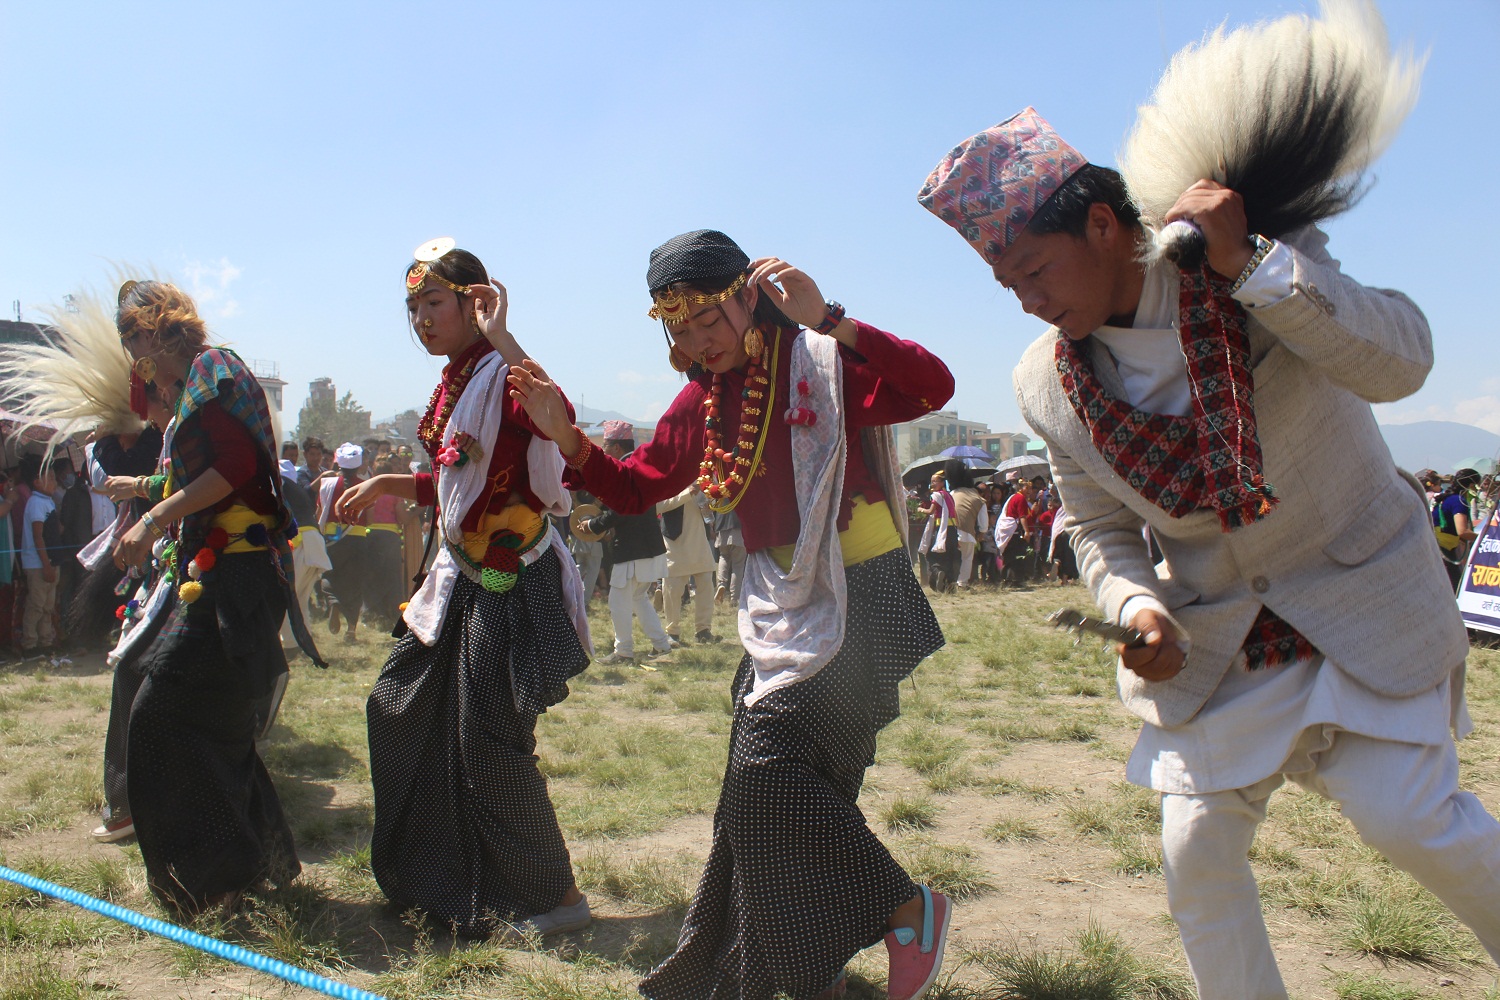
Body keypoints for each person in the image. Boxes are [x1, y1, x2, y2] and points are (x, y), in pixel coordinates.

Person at [920, 92, 1500, 993]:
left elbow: (1404, 360)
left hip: (1359, 593)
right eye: (1011, 288)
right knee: (1195, 856)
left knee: (1410, 818)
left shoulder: (1248, 260)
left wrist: (1256, 264)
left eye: (1037, 271)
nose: (1031, 302)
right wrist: (1137, 604)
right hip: (1222, 635)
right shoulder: (1045, 382)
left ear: (1105, 225)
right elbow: (1096, 526)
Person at [508, 230, 955, 1000]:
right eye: (677, 329)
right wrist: (566, 438)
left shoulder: (817, 355)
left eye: (706, 320)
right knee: (760, 812)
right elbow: (636, 488)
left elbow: (932, 387)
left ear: (750, 294)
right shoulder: (704, 398)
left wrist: (836, 319)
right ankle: (795, 982)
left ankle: (908, 908)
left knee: (766, 780)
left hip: (859, 592)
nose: (694, 341)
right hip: (780, 607)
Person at [333, 238, 592, 939]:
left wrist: (504, 335)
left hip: (508, 582)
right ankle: (440, 874)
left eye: (434, 304)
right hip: (457, 578)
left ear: (475, 304)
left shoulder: (500, 374)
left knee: (490, 741)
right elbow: (456, 486)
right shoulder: (455, 379)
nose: (421, 318)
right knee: (397, 707)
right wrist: (393, 482)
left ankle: (557, 896)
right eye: (412, 307)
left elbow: (557, 415)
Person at [102, 278, 322, 914]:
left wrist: (150, 520)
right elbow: (198, 476)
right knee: (208, 723)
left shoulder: (214, 371)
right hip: (221, 575)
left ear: (152, 329)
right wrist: (141, 487)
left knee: (164, 717)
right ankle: (257, 867)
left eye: (128, 334)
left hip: (237, 579)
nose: (127, 348)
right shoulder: (196, 387)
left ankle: (216, 883)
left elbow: (236, 473)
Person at [577, 421, 674, 666]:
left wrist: (593, 525)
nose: (605, 450)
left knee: (619, 601)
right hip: (646, 546)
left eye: (606, 445)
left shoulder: (626, 469)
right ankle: (661, 644)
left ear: (618, 447)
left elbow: (621, 509)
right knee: (638, 598)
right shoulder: (636, 466)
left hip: (633, 548)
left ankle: (624, 651)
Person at [318, 443, 370, 643]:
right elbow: (370, 518)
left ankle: (333, 601)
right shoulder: (365, 486)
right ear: (358, 466)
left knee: (329, 574)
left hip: (332, 538)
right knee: (355, 583)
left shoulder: (327, 484)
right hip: (357, 538)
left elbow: (319, 513)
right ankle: (351, 631)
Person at [658, 482, 719, 645]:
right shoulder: (666, 479)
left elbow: (710, 507)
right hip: (675, 544)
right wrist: (687, 493)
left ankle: (703, 631)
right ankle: (672, 633)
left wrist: (713, 496)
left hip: (699, 541)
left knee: (706, 585)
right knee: (672, 590)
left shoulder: (701, 477)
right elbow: (658, 506)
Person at [19, 458, 59, 656]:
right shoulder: (36, 503)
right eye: (50, 478)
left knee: (47, 606)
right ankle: (30, 644)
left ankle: (46, 641)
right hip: (39, 564)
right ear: (36, 482)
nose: (55, 482)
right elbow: (38, 536)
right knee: (36, 604)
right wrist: (46, 565)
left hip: (50, 562)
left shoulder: (48, 501)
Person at [1434, 468, 1482, 591]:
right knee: (1454, 587)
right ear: (1471, 485)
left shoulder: (1445, 498)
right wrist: (1484, 538)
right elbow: (1462, 531)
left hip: (1435, 545)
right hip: (1445, 550)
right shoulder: (1458, 501)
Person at [947, 463, 988, 589]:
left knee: (950, 558)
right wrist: (982, 532)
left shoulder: (951, 494)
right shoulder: (977, 498)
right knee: (967, 558)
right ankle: (962, 583)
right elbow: (984, 522)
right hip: (967, 532)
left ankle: (949, 581)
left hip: (949, 531)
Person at [713, 508, 746, 605]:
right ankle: (734, 597)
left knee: (723, 557)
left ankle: (721, 584)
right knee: (738, 564)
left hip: (722, 526)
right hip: (739, 527)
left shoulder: (720, 492)